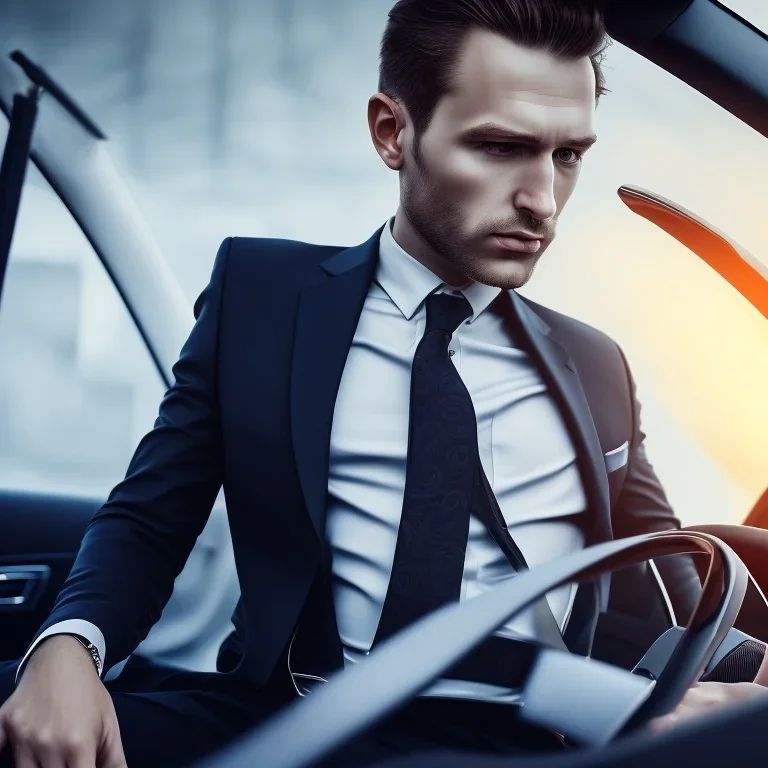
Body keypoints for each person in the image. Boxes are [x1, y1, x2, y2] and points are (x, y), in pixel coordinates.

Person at [1, 1, 765, 766]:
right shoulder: (263, 295)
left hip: (523, 748)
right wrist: (68, 648)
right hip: (285, 723)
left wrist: (745, 673)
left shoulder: (597, 364)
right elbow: (149, 517)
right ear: (391, 132)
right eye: (500, 147)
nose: (541, 199)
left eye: (568, 156)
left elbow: (665, 578)